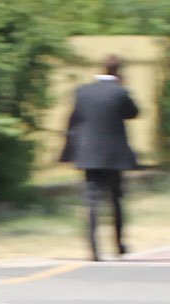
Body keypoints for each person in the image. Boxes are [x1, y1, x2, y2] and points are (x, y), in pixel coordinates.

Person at [61, 55, 141, 261]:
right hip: (114, 156)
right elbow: (133, 113)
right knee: (116, 201)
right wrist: (122, 87)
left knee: (92, 203)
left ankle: (93, 249)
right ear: (119, 72)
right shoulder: (120, 92)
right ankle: (118, 245)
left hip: (88, 154)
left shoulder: (83, 91)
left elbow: (74, 119)